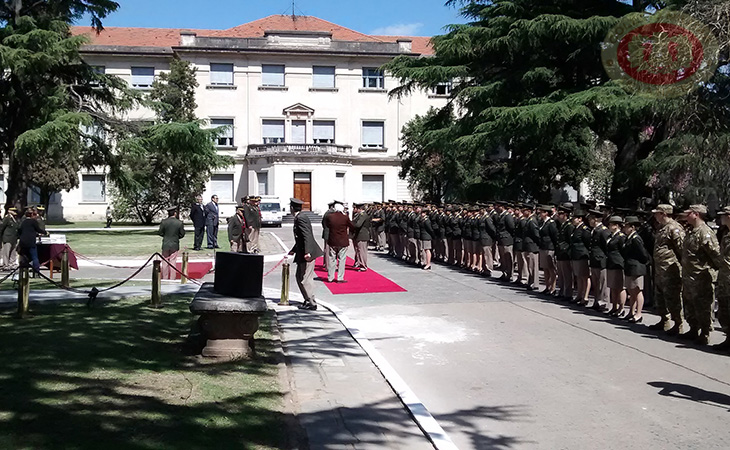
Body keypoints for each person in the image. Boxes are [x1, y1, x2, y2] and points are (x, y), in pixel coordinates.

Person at [680, 204, 721, 345]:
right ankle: (693, 329)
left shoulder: (705, 232)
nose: (686, 215)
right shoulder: (691, 231)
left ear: (696, 214)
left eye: (689, 213)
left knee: (702, 306)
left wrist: (715, 272)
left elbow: (715, 255)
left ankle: (704, 333)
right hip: (689, 275)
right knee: (690, 304)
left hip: (701, 277)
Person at [649, 204, 685, 334]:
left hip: (671, 269)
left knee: (672, 296)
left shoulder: (674, 228)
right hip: (660, 268)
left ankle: (678, 323)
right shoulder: (661, 228)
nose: (655, 216)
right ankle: (664, 320)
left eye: (657, 213)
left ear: (664, 213)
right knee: (660, 296)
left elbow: (681, 249)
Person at [288, 198, 323, 311]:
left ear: (292, 208)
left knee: (305, 278)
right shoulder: (299, 217)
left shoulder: (301, 218)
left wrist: (308, 251)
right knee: (299, 276)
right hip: (302, 251)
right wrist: (294, 249)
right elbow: (300, 238)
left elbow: (307, 235)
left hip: (307, 253)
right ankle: (307, 299)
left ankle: (312, 302)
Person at [621, 216, 650, 323]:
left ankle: (638, 313)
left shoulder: (636, 239)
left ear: (632, 227)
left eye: (626, 226)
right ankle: (631, 312)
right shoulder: (629, 238)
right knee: (631, 291)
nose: (624, 229)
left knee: (637, 291)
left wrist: (640, 263)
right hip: (630, 267)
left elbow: (643, 254)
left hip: (636, 268)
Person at [714, 206, 730, 350]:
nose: (721, 218)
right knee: (724, 310)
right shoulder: (726, 235)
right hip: (725, 278)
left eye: (723, 215)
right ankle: (728, 338)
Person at [325, 203, 354, 282]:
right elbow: (352, 226)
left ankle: (330, 277)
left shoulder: (330, 217)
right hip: (342, 241)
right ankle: (340, 277)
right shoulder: (345, 218)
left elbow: (326, 225)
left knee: (332, 259)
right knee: (342, 259)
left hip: (332, 240)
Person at [588, 210, 610, 311]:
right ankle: (597, 301)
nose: (589, 220)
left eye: (590, 218)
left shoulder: (603, 230)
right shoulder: (594, 230)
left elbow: (607, 246)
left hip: (601, 260)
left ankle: (604, 303)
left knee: (602, 283)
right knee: (596, 283)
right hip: (594, 260)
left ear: (595, 219)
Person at [605, 216, 627, 317]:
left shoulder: (621, 237)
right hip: (610, 263)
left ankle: (621, 308)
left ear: (616, 225)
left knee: (620, 287)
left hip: (618, 263)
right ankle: (614, 306)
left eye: (611, 224)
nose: (609, 226)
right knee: (613, 286)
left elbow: (623, 251)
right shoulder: (611, 236)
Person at [158, 207, 186, 280]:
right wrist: (176, 237)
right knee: (173, 262)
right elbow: (182, 234)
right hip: (174, 243)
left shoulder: (164, 222)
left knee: (165, 262)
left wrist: (166, 236)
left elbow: (160, 232)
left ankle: (165, 278)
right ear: (175, 213)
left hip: (166, 243)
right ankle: (172, 278)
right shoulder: (179, 223)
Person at [538, 205, 559, 295]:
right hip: (543, 247)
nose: (540, 213)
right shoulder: (542, 222)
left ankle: (553, 287)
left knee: (551, 268)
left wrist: (555, 248)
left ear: (546, 213)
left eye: (542, 212)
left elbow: (555, 236)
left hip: (549, 247)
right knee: (545, 268)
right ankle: (547, 286)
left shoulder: (551, 223)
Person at [18, 208, 47, 273]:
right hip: (31, 241)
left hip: (23, 241)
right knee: (35, 257)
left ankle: (23, 269)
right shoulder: (33, 222)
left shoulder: (23, 222)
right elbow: (38, 229)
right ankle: (36, 270)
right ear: (31, 215)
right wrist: (45, 232)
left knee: (24, 256)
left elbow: (19, 230)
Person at [352, 203, 371, 272]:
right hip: (359, 235)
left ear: (360, 209)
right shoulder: (359, 215)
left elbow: (358, 224)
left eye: (357, 208)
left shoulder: (363, 215)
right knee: (359, 250)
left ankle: (363, 265)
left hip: (362, 235)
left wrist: (351, 224)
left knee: (362, 251)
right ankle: (360, 264)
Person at [321, 201, 336, 272]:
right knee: (328, 250)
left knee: (326, 249)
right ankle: (328, 266)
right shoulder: (330, 214)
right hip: (330, 233)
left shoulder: (327, 213)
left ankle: (325, 264)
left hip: (327, 232)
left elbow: (323, 223)